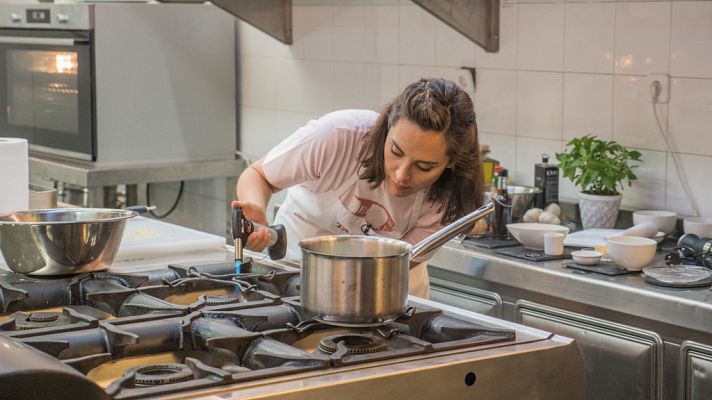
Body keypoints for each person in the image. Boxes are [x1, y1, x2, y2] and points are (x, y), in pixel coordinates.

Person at [235, 78, 484, 298]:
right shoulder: (338, 136)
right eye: (396, 151)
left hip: (386, 292)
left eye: (424, 166)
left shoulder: (452, 195)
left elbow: (398, 264)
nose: (401, 175)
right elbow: (258, 175)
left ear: (450, 163)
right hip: (296, 277)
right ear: (387, 128)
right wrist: (257, 209)